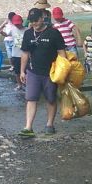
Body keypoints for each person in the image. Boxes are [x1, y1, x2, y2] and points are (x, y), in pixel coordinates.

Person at [17, 8, 68, 138]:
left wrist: (65, 70)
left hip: (51, 72)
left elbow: (62, 52)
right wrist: (22, 71)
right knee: (31, 98)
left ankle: (49, 124)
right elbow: (25, 53)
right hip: (33, 71)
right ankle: (28, 127)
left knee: (51, 99)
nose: (34, 23)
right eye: (31, 21)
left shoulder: (53, 33)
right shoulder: (28, 34)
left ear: (42, 18)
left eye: (36, 20)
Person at [7, 14, 26, 90]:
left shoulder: (27, 30)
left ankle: (26, 84)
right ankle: (19, 85)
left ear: (22, 22)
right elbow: (7, 34)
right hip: (15, 54)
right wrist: (1, 31)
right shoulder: (13, 29)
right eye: (16, 24)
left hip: (25, 54)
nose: (17, 25)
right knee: (17, 71)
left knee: (26, 71)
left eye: (19, 23)